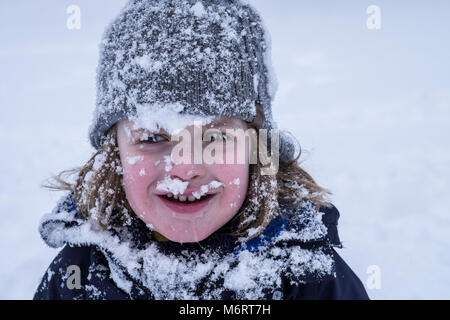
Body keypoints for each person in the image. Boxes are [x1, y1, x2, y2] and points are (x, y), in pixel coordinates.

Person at [34, 0, 369, 300]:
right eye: (152, 139)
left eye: (217, 138)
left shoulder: (307, 277)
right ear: (114, 154)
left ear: (256, 149)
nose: (185, 168)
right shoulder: (76, 277)